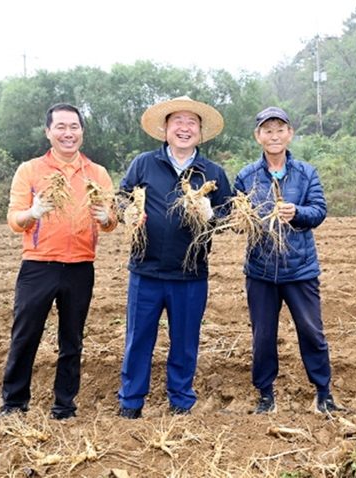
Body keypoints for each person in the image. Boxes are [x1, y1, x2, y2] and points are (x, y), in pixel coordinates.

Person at [0, 102, 117, 425]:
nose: (68, 133)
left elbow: (110, 221)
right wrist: (34, 212)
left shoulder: (97, 173)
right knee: (25, 335)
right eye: (60, 127)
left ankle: (65, 408)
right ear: (48, 131)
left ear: (82, 132)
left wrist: (107, 218)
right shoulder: (30, 170)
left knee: (72, 340)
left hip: (80, 267)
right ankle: (14, 405)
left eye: (74, 127)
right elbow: (14, 220)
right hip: (38, 266)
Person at [117, 96, 233, 418]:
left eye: (191, 123)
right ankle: (131, 402)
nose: (184, 128)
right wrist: (127, 213)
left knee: (184, 342)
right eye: (177, 122)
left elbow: (231, 218)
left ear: (199, 131)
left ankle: (180, 401)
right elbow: (120, 199)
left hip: (190, 274)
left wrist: (211, 215)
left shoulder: (213, 172)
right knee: (138, 340)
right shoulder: (143, 164)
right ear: (166, 128)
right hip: (146, 271)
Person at [233, 106, 345, 415]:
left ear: (290, 133)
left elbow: (318, 211)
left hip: (300, 270)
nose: (274, 135)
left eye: (279, 129)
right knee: (263, 335)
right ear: (258, 137)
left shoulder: (306, 173)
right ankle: (265, 395)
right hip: (261, 270)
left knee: (312, 332)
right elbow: (236, 219)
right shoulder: (246, 176)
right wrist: (243, 220)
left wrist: (297, 212)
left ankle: (323, 392)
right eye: (267, 130)